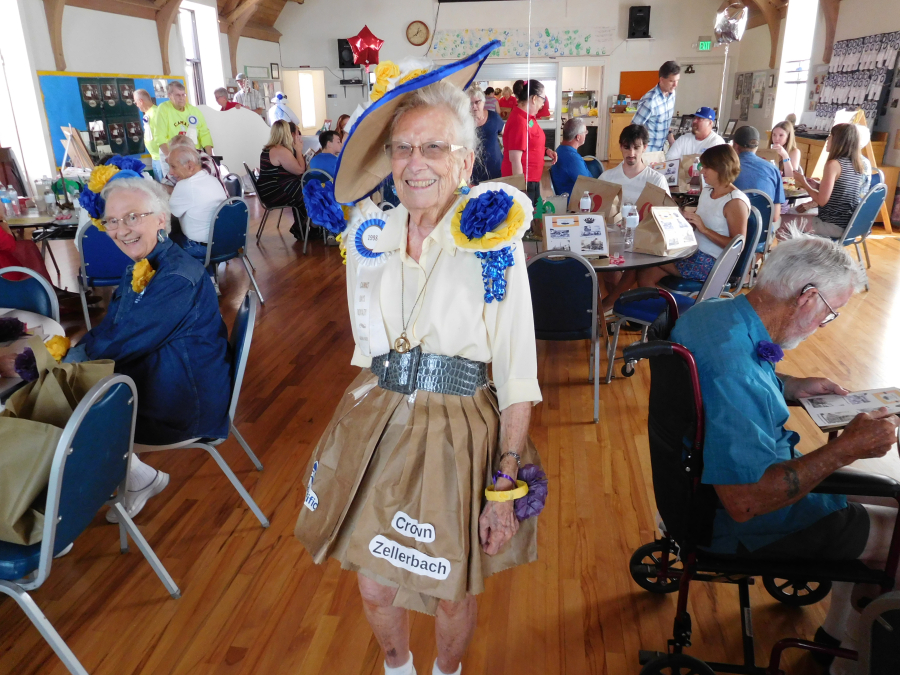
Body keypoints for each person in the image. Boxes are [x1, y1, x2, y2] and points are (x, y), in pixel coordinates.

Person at [295, 43, 544, 675]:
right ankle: (398, 668)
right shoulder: (372, 237)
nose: (415, 164)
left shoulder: (494, 242)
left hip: (461, 430)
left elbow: (517, 373)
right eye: (403, 149)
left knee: (448, 585)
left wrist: (504, 484)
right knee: (374, 581)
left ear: (464, 161)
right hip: (381, 416)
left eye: (433, 148)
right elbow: (367, 350)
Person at [669, 233, 899, 675]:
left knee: (890, 499)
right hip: (745, 518)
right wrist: (846, 450)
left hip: (696, 485)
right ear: (807, 297)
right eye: (830, 314)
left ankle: (832, 639)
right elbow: (746, 502)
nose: (823, 324)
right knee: (897, 536)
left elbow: (740, 378)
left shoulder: (716, 315)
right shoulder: (736, 372)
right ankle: (853, 660)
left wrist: (791, 386)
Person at [68, 176, 229, 522]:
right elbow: (115, 330)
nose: (121, 229)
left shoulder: (174, 278)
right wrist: (73, 352)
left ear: (160, 219)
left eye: (132, 217)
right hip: (160, 382)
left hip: (181, 407)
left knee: (61, 415)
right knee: (65, 392)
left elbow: (118, 345)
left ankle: (54, 526)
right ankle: (139, 477)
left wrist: (62, 363)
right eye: (112, 220)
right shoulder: (145, 265)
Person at [637, 144, 749, 288]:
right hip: (693, 252)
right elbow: (702, 223)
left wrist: (704, 229)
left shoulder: (735, 201)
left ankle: (615, 302)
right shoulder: (708, 191)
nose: (702, 171)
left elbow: (738, 245)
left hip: (712, 262)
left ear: (721, 168)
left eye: (706, 167)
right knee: (645, 271)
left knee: (650, 257)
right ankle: (669, 309)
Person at [792, 123, 870, 238]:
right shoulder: (856, 163)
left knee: (782, 222)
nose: (827, 139)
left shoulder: (833, 164)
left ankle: (794, 255)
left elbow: (822, 201)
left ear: (839, 140)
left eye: (830, 136)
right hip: (849, 224)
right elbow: (841, 191)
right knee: (794, 215)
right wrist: (818, 186)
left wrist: (803, 182)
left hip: (832, 224)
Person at [167, 146, 228, 276]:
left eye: (173, 166)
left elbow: (168, 215)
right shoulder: (212, 179)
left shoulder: (185, 185)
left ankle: (189, 282)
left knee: (163, 240)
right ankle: (209, 277)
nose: (170, 172)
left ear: (190, 166)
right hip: (223, 243)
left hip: (199, 248)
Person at [501, 79, 558, 207]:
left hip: (532, 179)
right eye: (543, 99)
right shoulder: (519, 121)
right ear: (534, 99)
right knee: (527, 221)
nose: (543, 104)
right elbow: (515, 159)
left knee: (535, 218)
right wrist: (521, 192)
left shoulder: (528, 119)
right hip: (525, 182)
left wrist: (546, 150)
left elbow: (531, 140)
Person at [258, 120, 307, 240]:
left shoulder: (269, 149)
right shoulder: (280, 150)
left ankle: (302, 228)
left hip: (269, 189)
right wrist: (299, 150)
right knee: (309, 194)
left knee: (304, 191)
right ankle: (303, 228)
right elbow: (300, 170)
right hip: (274, 191)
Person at [600, 124, 670, 204]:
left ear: (644, 147)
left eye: (636, 148)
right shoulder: (606, 178)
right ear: (620, 147)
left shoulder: (657, 180)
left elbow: (667, 213)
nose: (631, 153)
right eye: (627, 148)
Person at [152, 81, 214, 164]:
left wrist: (209, 157)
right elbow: (159, 136)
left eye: (183, 95)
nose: (181, 98)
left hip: (192, 153)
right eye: (178, 95)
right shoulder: (163, 109)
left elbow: (204, 133)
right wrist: (170, 158)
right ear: (170, 95)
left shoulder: (194, 110)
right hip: (172, 153)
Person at [732, 125, 785, 222]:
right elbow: (774, 217)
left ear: (735, 145)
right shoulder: (773, 169)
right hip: (762, 234)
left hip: (731, 233)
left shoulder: (725, 168)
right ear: (757, 146)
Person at [632, 61, 681, 152]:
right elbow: (633, 129)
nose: (675, 85)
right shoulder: (650, 101)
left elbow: (666, 121)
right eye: (672, 81)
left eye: (677, 80)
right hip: (648, 152)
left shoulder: (672, 94)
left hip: (662, 150)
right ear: (662, 80)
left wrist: (671, 141)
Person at [550, 118, 597, 196]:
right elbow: (589, 184)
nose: (586, 134)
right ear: (578, 137)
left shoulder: (560, 150)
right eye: (585, 132)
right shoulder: (572, 159)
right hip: (575, 203)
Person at [468, 87, 504, 183]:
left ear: (483, 102)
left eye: (477, 102)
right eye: (471, 103)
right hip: (474, 170)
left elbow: (506, 135)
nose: (474, 106)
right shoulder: (464, 122)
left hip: (496, 167)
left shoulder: (494, 117)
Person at [134, 89, 163, 181]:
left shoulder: (155, 113)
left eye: (136, 102)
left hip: (160, 157)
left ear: (141, 101)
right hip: (154, 157)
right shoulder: (148, 113)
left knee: (164, 186)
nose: (137, 105)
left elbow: (162, 135)